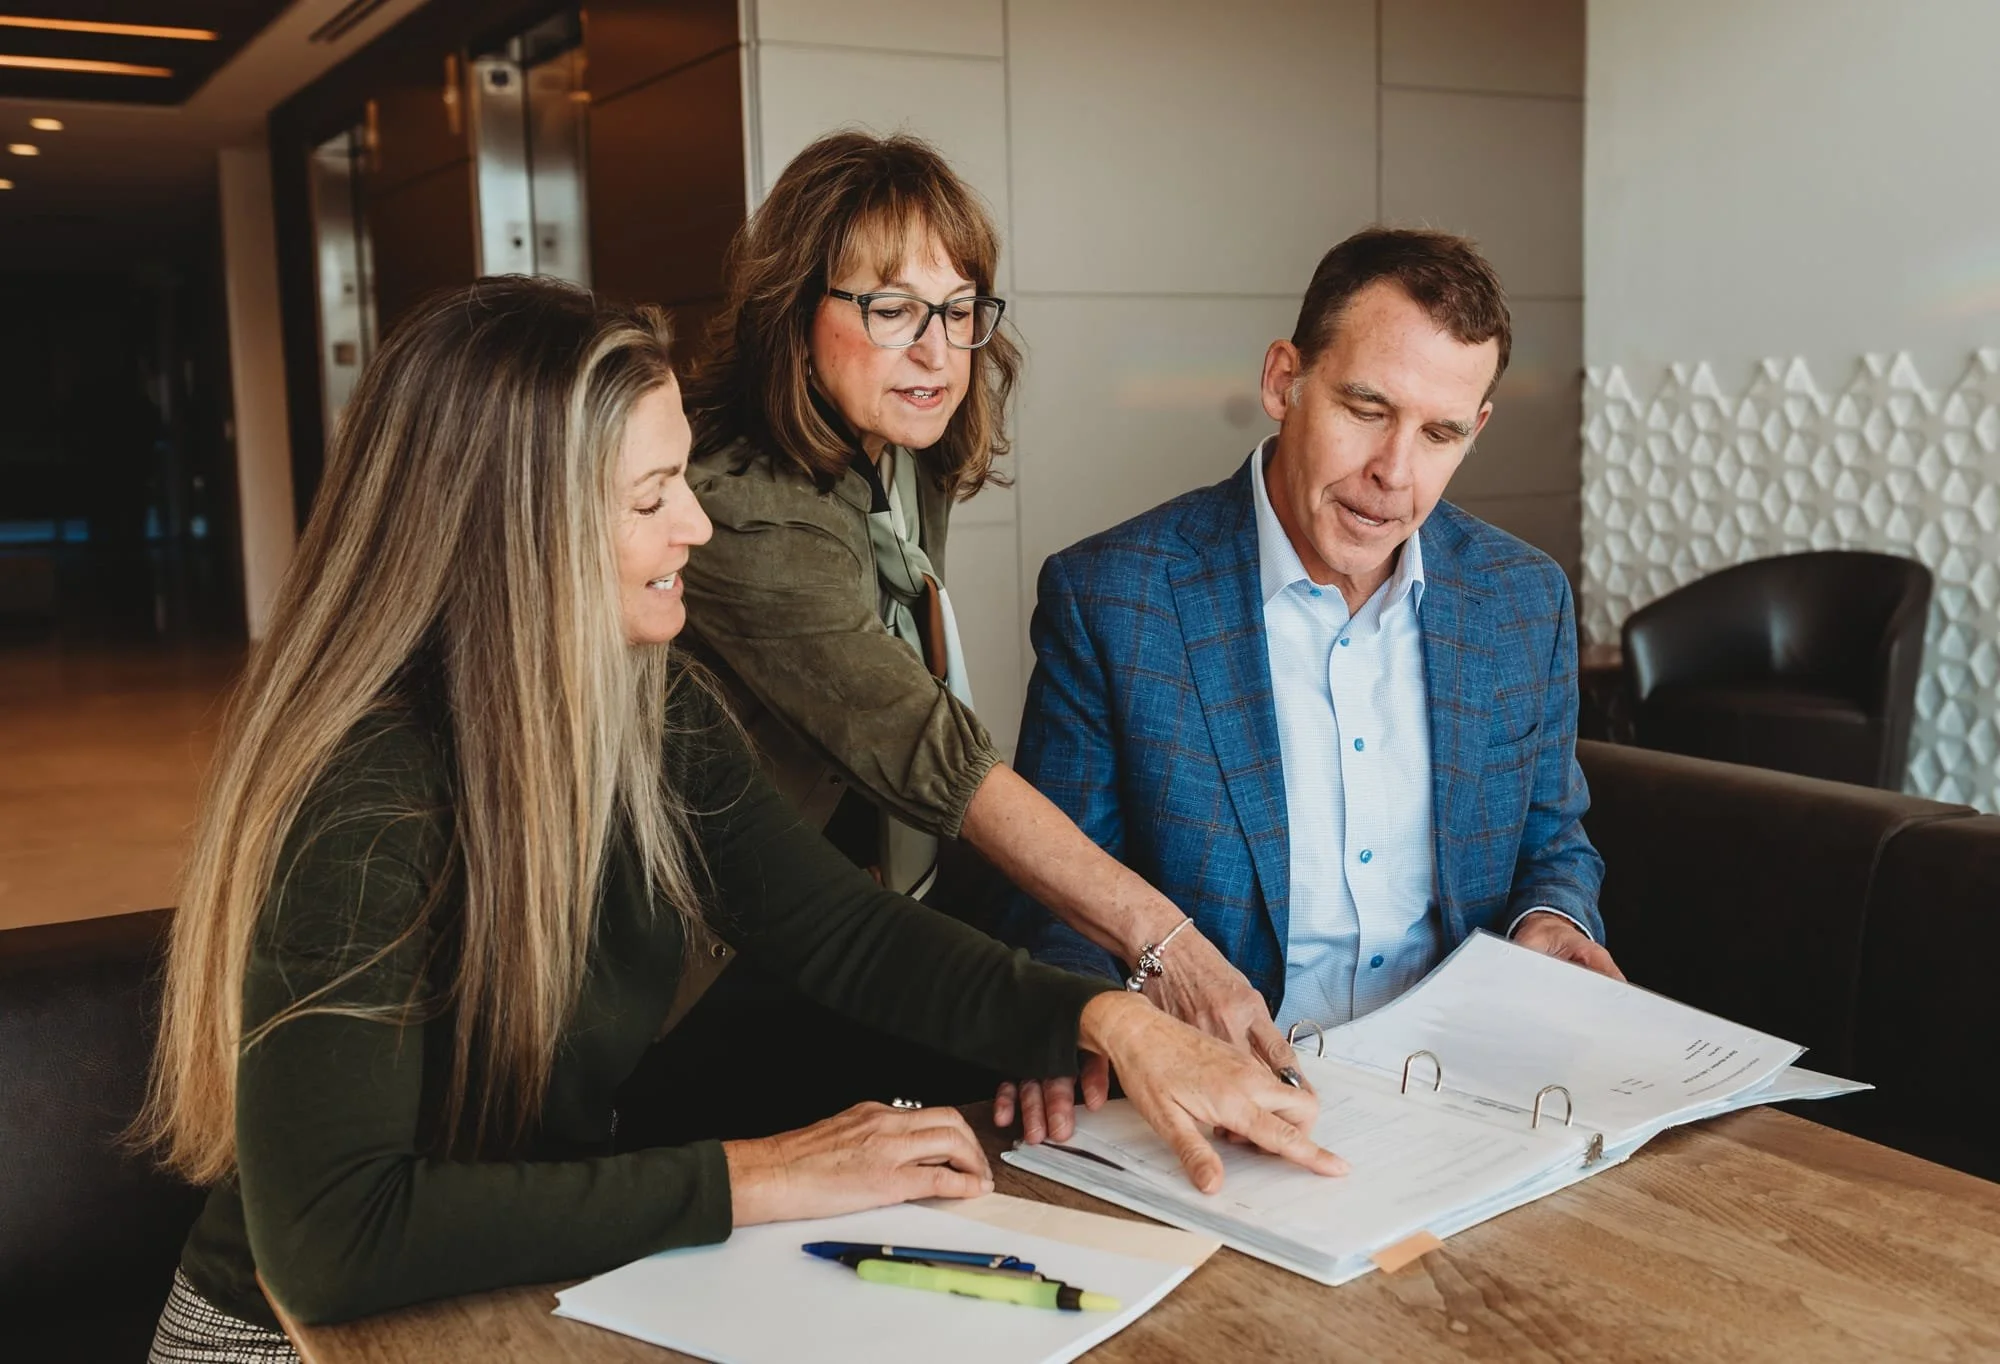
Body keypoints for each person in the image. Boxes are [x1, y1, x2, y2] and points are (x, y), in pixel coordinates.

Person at [136, 278, 1343, 1359]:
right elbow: (335, 1239)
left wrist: (1105, 1017)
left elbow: (842, 933)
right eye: (654, 496)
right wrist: (759, 1175)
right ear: (519, 532)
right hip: (291, 1337)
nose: (696, 529)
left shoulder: (640, 695)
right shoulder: (368, 790)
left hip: (515, 1294)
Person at [676, 131, 1297, 1123]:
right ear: (793, 315)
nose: (934, 351)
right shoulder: (748, 514)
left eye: (957, 310)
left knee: (1058, 1080)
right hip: (711, 975)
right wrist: (1158, 942)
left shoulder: (894, 448)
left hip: (860, 907)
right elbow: (928, 749)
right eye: (890, 310)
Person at [1001, 228, 1625, 1141]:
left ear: (1476, 430)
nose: (1394, 474)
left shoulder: (1524, 601)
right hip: (1212, 1106)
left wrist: (1550, 919)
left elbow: (1550, 839)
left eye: (1441, 432)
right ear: (1284, 381)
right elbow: (1048, 896)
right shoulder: (1114, 599)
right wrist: (1072, 1021)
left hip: (1463, 1106)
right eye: (1367, 409)